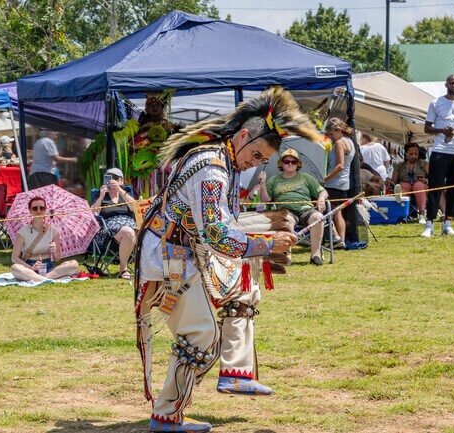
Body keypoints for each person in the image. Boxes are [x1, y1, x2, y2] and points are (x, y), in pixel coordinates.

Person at [135, 87, 317, 433]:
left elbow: (222, 224)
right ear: (244, 136)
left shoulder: (225, 161)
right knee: (201, 335)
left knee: (243, 292)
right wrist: (267, 242)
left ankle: (237, 373)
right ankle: (166, 416)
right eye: (258, 154)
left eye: (264, 160)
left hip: (190, 251)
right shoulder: (212, 167)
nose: (257, 163)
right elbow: (218, 235)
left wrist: (263, 236)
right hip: (171, 260)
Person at [421, 74, 454, 237]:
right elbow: (427, 128)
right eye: (451, 83)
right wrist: (441, 130)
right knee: (435, 187)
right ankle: (429, 224)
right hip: (440, 149)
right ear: (446, 84)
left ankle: (448, 223)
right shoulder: (435, 103)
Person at [259, 148, 328, 266]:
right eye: (287, 161)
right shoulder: (274, 180)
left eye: (293, 162)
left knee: (318, 217)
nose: (290, 164)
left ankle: (315, 255)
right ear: (281, 163)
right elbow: (265, 200)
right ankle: (287, 255)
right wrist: (262, 183)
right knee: (287, 220)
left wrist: (321, 198)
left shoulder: (306, 177)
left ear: (298, 164)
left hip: (306, 209)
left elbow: (323, 191)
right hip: (286, 211)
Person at [10, 196, 79, 282]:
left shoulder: (53, 231)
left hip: (48, 266)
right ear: (30, 210)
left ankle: (42, 278)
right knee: (15, 268)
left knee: (73, 264)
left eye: (42, 208)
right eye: (35, 208)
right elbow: (14, 258)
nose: (38, 211)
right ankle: (46, 279)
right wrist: (30, 267)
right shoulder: (23, 232)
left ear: (45, 210)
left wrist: (54, 251)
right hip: (30, 267)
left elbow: (57, 258)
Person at [91, 168, 136, 280]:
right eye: (109, 178)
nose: (112, 181)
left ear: (122, 181)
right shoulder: (101, 196)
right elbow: (93, 213)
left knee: (142, 231)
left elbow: (136, 208)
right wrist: (101, 196)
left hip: (131, 226)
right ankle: (123, 270)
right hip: (109, 232)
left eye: (115, 178)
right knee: (128, 231)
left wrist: (120, 191)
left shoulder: (125, 194)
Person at [323, 118, 355, 247]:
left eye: (331, 134)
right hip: (343, 182)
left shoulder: (340, 143)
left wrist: (324, 179)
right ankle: (340, 240)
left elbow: (340, 165)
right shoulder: (350, 142)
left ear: (338, 130)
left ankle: (336, 238)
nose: (330, 137)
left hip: (335, 182)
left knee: (328, 211)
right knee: (337, 211)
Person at [391, 142, 429, 224]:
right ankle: (402, 215)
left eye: (416, 154)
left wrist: (426, 180)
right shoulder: (399, 166)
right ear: (406, 154)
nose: (414, 156)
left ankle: (422, 215)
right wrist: (388, 182)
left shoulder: (424, 163)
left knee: (418, 185)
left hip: (421, 186)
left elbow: (433, 177)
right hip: (406, 186)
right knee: (402, 186)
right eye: (411, 154)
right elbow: (393, 181)